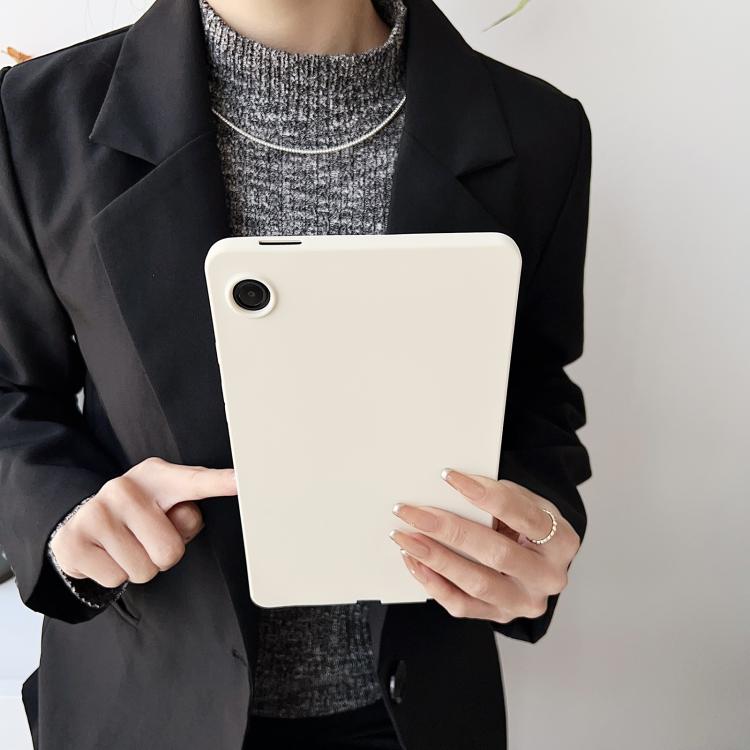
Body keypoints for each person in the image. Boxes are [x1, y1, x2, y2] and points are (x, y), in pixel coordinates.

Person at [0, 0, 592, 748]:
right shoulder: (35, 117)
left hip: (417, 707)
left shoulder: (539, 131)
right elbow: (11, 394)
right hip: (145, 699)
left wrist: (539, 530)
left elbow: (535, 393)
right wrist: (65, 520)